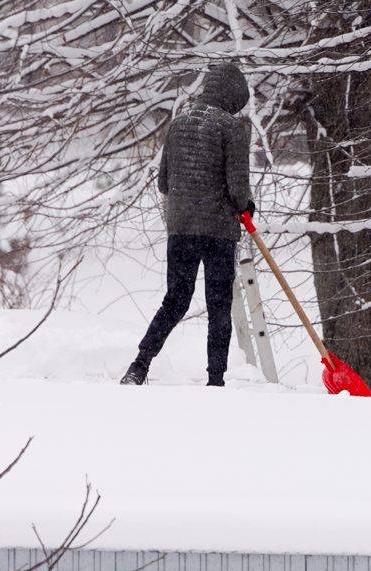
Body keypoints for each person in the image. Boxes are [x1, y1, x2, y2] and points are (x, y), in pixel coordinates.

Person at [121, 63, 255, 387]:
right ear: (233, 96)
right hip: (218, 231)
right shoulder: (231, 128)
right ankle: (215, 380)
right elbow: (237, 187)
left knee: (176, 298)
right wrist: (245, 206)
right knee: (219, 304)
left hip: (180, 227)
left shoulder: (179, 123)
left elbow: (164, 182)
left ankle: (139, 365)